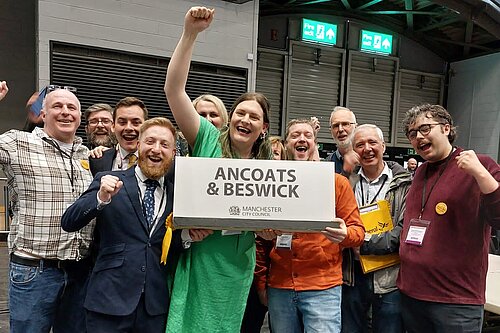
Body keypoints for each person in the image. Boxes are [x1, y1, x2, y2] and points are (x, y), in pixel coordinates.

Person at [164, 7, 275, 332]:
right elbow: (174, 90)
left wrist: (269, 230)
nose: (245, 119)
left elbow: (268, 223)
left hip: (237, 262)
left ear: (264, 128)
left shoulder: (267, 168)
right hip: (201, 253)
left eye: (254, 117)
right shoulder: (207, 137)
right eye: (240, 113)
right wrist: (190, 34)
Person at [61, 117, 207, 332]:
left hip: (153, 308)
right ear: (138, 145)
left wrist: (186, 238)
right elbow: (69, 221)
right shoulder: (108, 179)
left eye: (164, 145)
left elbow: (157, 245)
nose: (156, 149)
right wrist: (100, 198)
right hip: (108, 303)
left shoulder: (177, 194)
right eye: (150, 141)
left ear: (174, 153)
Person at [397, 104, 500, 333]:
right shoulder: (421, 172)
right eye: (412, 134)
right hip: (413, 295)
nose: (418, 138)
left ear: (446, 128)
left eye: (425, 129)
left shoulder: (478, 164)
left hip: (455, 300)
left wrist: (480, 173)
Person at [255, 119, 365, 333]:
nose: (301, 139)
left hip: (322, 287)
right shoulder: (270, 184)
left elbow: (358, 232)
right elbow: (260, 242)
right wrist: (261, 284)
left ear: (314, 144)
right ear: (286, 144)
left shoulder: (337, 183)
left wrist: (344, 235)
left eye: (307, 135)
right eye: (295, 135)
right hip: (280, 287)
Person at [0, 85, 94, 332]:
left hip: (78, 272)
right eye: (57, 106)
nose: (65, 112)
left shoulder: (86, 154)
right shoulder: (18, 142)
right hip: (34, 272)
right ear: (43, 114)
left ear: (79, 117)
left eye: (71, 107)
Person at [342, 124, 411, 333]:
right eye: (360, 144)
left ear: (383, 145)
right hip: (353, 275)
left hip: (389, 276)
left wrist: (363, 243)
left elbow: (403, 230)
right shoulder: (346, 183)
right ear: (354, 150)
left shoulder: (404, 184)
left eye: (372, 142)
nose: (367, 148)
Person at [89, 96, 147, 175]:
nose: (128, 128)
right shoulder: (96, 161)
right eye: (122, 122)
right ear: (113, 126)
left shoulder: (159, 161)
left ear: (147, 126)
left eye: (136, 123)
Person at [326, 106, 359, 175]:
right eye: (335, 126)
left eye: (345, 124)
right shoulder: (327, 164)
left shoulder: (367, 158)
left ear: (355, 127)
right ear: (331, 131)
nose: (340, 129)